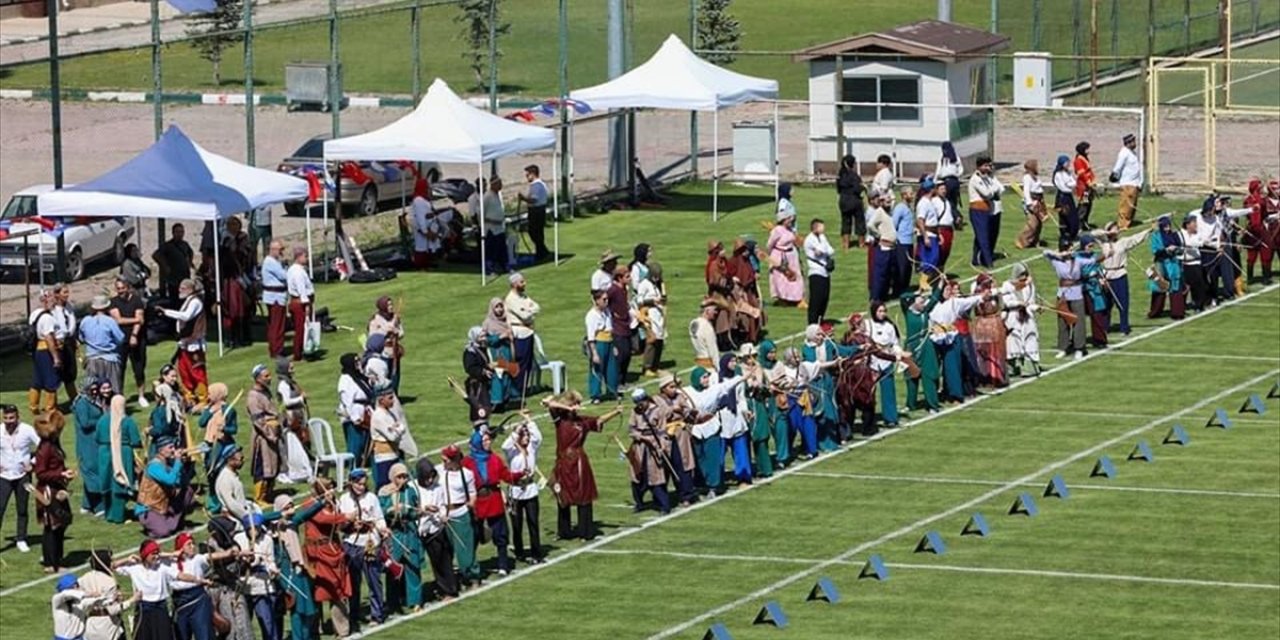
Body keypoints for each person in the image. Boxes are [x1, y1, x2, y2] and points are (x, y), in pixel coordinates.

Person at [543, 392, 617, 540]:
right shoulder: (559, 418)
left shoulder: (582, 421)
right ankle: (564, 532)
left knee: (583, 497)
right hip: (563, 461)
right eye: (574, 404)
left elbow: (599, 420)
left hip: (578, 462)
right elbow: (549, 402)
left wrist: (616, 411)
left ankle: (586, 532)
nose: (577, 407)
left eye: (577, 404)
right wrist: (567, 407)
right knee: (562, 496)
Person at [114, 540, 208, 640]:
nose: (157, 556)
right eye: (153, 554)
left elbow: (181, 576)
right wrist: (126, 559)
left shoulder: (162, 567)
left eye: (157, 553)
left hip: (160, 609)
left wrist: (199, 580)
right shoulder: (134, 568)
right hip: (143, 609)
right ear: (145, 555)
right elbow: (111, 565)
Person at [463, 429, 523, 577]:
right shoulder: (467, 462)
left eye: (489, 440)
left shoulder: (494, 459)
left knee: (500, 535)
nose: (488, 442)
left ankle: (503, 565)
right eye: (485, 441)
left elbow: (506, 475)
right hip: (477, 502)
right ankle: (470, 566)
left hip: (494, 500)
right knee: (474, 536)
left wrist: (520, 474)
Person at [302, 477, 354, 637]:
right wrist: (345, 516)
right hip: (316, 554)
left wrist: (349, 522)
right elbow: (322, 518)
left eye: (332, 487)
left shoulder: (332, 504)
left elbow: (337, 524)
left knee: (337, 591)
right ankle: (315, 629)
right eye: (328, 487)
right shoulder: (309, 505)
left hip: (333, 549)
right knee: (317, 591)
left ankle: (342, 629)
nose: (331, 490)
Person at [338, 468, 388, 631]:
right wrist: (351, 524)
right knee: (353, 582)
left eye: (363, 484)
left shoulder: (372, 498)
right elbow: (340, 524)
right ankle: (354, 615)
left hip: (370, 543)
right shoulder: (343, 499)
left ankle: (377, 614)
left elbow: (379, 517)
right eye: (358, 484)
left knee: (373, 580)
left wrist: (383, 529)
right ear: (351, 483)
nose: (361, 487)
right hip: (351, 543)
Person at [929, 276, 993, 402]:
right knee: (933, 368)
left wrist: (983, 296)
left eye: (949, 289)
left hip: (951, 338)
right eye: (945, 290)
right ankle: (935, 394)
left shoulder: (955, 302)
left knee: (952, 366)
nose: (949, 292)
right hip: (934, 339)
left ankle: (955, 394)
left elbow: (972, 300)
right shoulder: (931, 304)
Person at [378, 462, 423, 614]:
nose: (403, 479)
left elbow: (415, 510)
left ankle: (415, 600)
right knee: (393, 568)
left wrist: (420, 512)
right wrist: (390, 509)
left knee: (412, 566)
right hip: (394, 533)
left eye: (404, 476)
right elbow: (379, 512)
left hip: (409, 531)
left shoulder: (410, 491)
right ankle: (393, 602)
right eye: (399, 477)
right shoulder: (384, 492)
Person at [414, 457, 458, 602]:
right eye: (427, 478)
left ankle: (448, 589)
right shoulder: (413, 488)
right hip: (418, 530)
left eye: (432, 477)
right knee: (414, 564)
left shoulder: (438, 488)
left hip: (435, 529)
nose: (430, 481)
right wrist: (423, 510)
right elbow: (410, 508)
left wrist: (443, 515)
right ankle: (413, 596)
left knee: (442, 561)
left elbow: (443, 505)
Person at [501, 417, 544, 564]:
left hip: (530, 490)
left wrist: (528, 421)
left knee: (533, 523)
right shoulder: (512, 451)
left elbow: (538, 437)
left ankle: (536, 553)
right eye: (523, 436)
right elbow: (505, 446)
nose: (526, 438)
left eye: (527, 436)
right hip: (516, 491)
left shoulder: (532, 448)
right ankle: (519, 551)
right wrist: (517, 431)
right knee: (517, 525)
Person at [1044, 238, 1096, 360]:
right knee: (1062, 322)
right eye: (1068, 249)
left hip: (1077, 293)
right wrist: (1059, 254)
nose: (1071, 251)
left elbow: (1092, 260)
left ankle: (1079, 348)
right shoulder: (1056, 261)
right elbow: (1045, 253)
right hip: (1063, 294)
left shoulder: (1078, 260)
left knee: (1078, 321)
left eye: (1072, 249)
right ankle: (1063, 347)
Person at [1098, 222, 1151, 335]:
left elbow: (1136, 239)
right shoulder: (1103, 242)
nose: (1116, 231)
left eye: (1117, 229)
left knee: (1123, 303)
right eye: (1114, 229)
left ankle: (1124, 327)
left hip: (1120, 275)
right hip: (1107, 276)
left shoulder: (1123, 242)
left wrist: (1149, 230)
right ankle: (1104, 327)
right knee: (1106, 304)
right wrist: (1107, 232)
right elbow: (1093, 234)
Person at [438, 445, 480, 586]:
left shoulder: (466, 474)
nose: (443, 463)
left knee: (465, 547)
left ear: (454, 460)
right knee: (447, 549)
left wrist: (471, 502)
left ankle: (472, 574)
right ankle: (453, 577)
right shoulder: (439, 471)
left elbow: (472, 492)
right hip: (444, 514)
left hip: (460, 513)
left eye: (445, 460)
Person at [161, 279, 208, 406]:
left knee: (197, 372)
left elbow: (186, 316)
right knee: (184, 371)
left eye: (183, 288)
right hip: (185, 342)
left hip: (194, 343)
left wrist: (166, 312)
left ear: (191, 289)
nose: (179, 290)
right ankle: (190, 398)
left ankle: (203, 399)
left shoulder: (196, 302)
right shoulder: (188, 301)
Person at [94, 395, 140, 524]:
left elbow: (97, 437)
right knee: (120, 482)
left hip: (104, 453)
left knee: (106, 482)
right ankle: (119, 516)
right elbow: (135, 440)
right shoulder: (127, 421)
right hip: (123, 452)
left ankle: (109, 514)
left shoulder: (103, 420)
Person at [627, 388, 673, 514]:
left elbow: (662, 431)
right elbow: (631, 429)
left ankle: (664, 505)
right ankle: (639, 503)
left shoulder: (658, 411)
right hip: (639, 447)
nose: (639, 405)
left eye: (641, 402)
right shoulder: (635, 412)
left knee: (656, 477)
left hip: (654, 447)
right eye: (637, 403)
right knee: (637, 476)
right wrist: (640, 436)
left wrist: (662, 444)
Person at [135, 436, 192, 538]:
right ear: (161, 450)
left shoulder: (167, 463)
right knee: (163, 532)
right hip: (150, 509)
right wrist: (177, 462)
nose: (173, 450)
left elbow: (180, 482)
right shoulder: (154, 466)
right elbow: (170, 480)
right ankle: (161, 524)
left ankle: (171, 522)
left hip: (163, 504)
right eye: (170, 447)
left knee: (187, 491)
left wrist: (182, 465)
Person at [1, 404, 39, 554]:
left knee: (22, 508)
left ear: (18, 417)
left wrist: (33, 464)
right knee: (0, 508)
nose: (9, 421)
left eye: (12, 418)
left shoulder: (27, 430)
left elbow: (43, 446)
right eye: (6, 418)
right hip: (3, 476)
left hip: (23, 476)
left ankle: (21, 538)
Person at [901, 287, 942, 414]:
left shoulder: (925, 312)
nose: (923, 304)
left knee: (928, 375)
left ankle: (932, 405)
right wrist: (915, 293)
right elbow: (902, 297)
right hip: (911, 347)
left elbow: (934, 299)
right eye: (920, 302)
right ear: (913, 303)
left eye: (923, 302)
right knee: (911, 376)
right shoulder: (908, 312)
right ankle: (910, 404)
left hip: (926, 345)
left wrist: (939, 286)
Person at [246, 364, 282, 505]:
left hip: (273, 433)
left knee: (274, 465)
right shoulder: (253, 397)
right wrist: (270, 435)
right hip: (263, 437)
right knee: (262, 466)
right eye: (265, 376)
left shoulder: (266, 392)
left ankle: (269, 493)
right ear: (257, 379)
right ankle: (259, 497)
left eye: (269, 375)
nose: (269, 378)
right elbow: (258, 421)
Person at [109, 277, 149, 407]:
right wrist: (136, 320)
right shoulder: (113, 302)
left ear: (128, 287)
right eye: (118, 289)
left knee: (139, 368)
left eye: (122, 288)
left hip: (137, 338)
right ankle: (119, 396)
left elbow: (141, 319)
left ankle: (141, 395)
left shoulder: (137, 300)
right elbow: (118, 320)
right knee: (120, 369)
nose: (120, 291)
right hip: (120, 340)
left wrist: (134, 334)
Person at [864, 302, 904, 427]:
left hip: (886, 362)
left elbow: (894, 343)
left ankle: (891, 418)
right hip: (872, 363)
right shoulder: (868, 324)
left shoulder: (889, 326)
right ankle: (868, 420)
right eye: (879, 311)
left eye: (884, 311)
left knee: (888, 391)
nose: (882, 314)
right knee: (868, 393)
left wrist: (898, 354)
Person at [72, 380, 107, 516]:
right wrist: (103, 419)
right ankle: (98, 506)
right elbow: (85, 423)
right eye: (91, 389)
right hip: (86, 444)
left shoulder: (93, 401)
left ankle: (86, 505)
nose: (95, 391)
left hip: (95, 442)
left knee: (94, 472)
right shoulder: (82, 403)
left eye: (96, 388)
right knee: (93, 474)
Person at [1000, 263, 1041, 378]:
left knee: (1030, 339)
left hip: (1027, 317)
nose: (1024, 277)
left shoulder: (1029, 286)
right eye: (1022, 275)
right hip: (1013, 317)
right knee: (1013, 342)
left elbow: (1031, 302)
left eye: (1025, 274)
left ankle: (1029, 368)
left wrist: (1036, 308)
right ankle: (1011, 367)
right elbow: (1007, 301)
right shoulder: (1007, 285)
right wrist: (1019, 303)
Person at [79, 296, 126, 396]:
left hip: (92, 359)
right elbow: (120, 338)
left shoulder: (85, 321)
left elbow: (81, 338)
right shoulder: (110, 321)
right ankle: (114, 409)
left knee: (93, 389)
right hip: (109, 358)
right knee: (113, 388)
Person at [504, 272, 541, 396]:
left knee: (528, 363)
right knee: (519, 363)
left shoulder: (523, 297)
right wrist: (529, 310)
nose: (524, 284)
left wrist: (529, 309)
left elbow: (537, 307)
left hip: (528, 332)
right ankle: (517, 390)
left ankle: (523, 388)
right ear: (514, 284)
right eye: (521, 282)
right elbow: (524, 315)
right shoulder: (511, 299)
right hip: (519, 333)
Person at [969, 273, 1008, 388]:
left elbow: (1001, 305)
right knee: (983, 352)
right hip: (982, 324)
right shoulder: (977, 295)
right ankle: (984, 378)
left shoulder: (994, 293)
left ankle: (997, 377)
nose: (990, 285)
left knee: (996, 352)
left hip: (994, 324)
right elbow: (979, 303)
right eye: (988, 283)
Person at [28, 291, 63, 417]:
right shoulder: (47, 318)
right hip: (46, 350)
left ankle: (33, 406)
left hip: (37, 350)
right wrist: (55, 358)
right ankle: (50, 409)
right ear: (46, 300)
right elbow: (49, 338)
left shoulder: (34, 314)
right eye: (53, 299)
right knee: (51, 380)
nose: (55, 301)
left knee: (37, 379)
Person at [482, 298, 519, 409]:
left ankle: (508, 398)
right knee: (499, 375)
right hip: (496, 353)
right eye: (496, 307)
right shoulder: (488, 323)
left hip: (507, 351)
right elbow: (486, 340)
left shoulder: (506, 321)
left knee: (509, 374)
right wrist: (500, 337)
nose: (499, 310)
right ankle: (496, 401)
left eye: (501, 307)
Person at [1148, 214, 1187, 320]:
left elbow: (1181, 249)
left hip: (1173, 264)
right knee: (1160, 286)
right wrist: (1166, 250)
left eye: (1168, 226)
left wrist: (1176, 249)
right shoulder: (1156, 236)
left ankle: (1177, 312)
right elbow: (1155, 250)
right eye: (1165, 226)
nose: (1167, 228)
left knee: (1175, 287)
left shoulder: (1174, 235)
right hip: (1161, 263)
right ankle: (1155, 311)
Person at [968, 156, 1004, 268]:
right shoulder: (976, 178)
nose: (988, 168)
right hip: (977, 209)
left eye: (989, 165)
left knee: (982, 235)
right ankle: (988, 261)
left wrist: (993, 189)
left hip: (986, 209)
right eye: (985, 166)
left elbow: (1001, 189)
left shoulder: (988, 177)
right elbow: (987, 193)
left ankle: (976, 258)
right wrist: (994, 191)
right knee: (983, 236)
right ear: (979, 166)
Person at [338, 353, 374, 467]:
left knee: (365, 441)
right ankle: (353, 468)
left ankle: (364, 462)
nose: (359, 363)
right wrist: (354, 417)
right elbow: (347, 400)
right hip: (354, 414)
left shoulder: (359, 376)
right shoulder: (345, 380)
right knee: (355, 445)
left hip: (365, 410)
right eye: (356, 361)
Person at [766, 204, 805, 306]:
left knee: (796, 276)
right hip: (779, 255)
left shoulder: (791, 230)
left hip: (791, 255)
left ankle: (798, 298)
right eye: (789, 219)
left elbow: (796, 240)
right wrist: (772, 257)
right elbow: (769, 245)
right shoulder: (777, 230)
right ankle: (783, 298)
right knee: (781, 279)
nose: (791, 221)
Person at [369, 387, 407, 488]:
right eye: (390, 398)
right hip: (384, 457)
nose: (393, 400)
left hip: (394, 454)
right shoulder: (378, 416)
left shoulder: (389, 413)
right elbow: (392, 436)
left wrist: (397, 428)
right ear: (381, 400)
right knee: (385, 486)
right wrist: (399, 429)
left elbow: (399, 427)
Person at [635, 261, 668, 378]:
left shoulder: (658, 284)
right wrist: (652, 301)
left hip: (659, 315)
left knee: (660, 341)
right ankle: (647, 367)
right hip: (649, 314)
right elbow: (638, 301)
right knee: (651, 341)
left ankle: (655, 365)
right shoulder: (644, 284)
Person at [51, 574, 109, 640]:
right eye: (76, 586)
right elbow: (66, 594)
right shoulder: (57, 600)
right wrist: (88, 594)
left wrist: (111, 598)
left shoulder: (80, 602)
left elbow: (98, 601)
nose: (79, 588)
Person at [198, 383, 238, 474]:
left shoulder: (228, 410)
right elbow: (201, 423)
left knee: (216, 467)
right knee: (208, 466)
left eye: (210, 393)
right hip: (208, 442)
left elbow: (234, 429)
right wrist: (210, 411)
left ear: (218, 394)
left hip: (221, 442)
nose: (208, 396)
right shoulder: (208, 408)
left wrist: (224, 428)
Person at [584, 291, 617, 403]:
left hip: (609, 341)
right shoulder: (591, 315)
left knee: (611, 368)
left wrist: (614, 346)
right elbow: (591, 337)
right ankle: (595, 395)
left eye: (607, 299)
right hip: (599, 342)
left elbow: (610, 329)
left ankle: (611, 391)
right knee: (597, 369)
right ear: (597, 301)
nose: (606, 301)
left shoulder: (607, 312)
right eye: (604, 299)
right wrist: (594, 353)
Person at [606, 267, 636, 386]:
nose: (630, 279)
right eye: (627, 276)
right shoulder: (613, 290)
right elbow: (603, 301)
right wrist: (612, 314)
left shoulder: (624, 289)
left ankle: (623, 380)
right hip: (617, 327)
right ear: (619, 278)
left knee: (628, 354)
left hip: (626, 325)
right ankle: (616, 382)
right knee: (621, 355)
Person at [260, 240, 289, 359]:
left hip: (276, 296)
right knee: (277, 325)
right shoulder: (270, 262)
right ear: (273, 250)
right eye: (280, 250)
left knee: (276, 324)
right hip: (275, 297)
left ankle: (276, 348)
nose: (282, 252)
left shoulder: (274, 262)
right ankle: (277, 350)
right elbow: (284, 276)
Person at [867, 192, 897, 303]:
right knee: (880, 273)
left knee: (889, 273)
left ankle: (883, 295)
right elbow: (870, 225)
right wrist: (878, 235)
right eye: (886, 201)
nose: (888, 203)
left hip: (892, 247)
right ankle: (875, 297)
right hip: (883, 246)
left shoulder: (889, 212)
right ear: (881, 202)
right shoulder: (879, 212)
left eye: (889, 201)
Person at [804, 218, 836, 324]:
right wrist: (822, 249)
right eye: (821, 226)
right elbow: (820, 251)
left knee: (824, 298)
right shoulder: (809, 239)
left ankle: (820, 319)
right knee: (816, 299)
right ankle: (812, 322)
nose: (824, 228)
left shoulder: (822, 237)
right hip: (816, 271)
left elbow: (830, 250)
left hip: (825, 271)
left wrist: (822, 250)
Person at [478, 176, 512, 274]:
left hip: (500, 227)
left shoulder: (499, 195)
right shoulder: (487, 196)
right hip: (491, 228)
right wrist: (491, 221)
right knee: (491, 250)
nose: (501, 185)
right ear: (493, 184)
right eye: (499, 183)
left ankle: (505, 266)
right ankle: (489, 268)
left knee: (502, 248)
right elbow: (481, 213)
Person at [517, 164, 551, 260]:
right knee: (537, 232)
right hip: (539, 210)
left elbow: (534, 200)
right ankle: (542, 252)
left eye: (528, 175)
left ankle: (542, 252)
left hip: (536, 211)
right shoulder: (540, 184)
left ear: (533, 174)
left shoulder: (536, 185)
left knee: (534, 232)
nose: (526, 177)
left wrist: (523, 198)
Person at [286, 247, 315, 361]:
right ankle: (298, 353)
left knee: (301, 328)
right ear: (299, 257)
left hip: (295, 302)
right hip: (300, 303)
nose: (307, 259)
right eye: (305, 256)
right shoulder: (297, 272)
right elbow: (301, 289)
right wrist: (306, 304)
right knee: (301, 329)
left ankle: (304, 349)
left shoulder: (292, 269)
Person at [156, 223, 195, 305]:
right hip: (173, 278)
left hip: (184, 276)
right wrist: (165, 266)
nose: (180, 234)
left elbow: (190, 253)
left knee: (185, 299)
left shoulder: (185, 244)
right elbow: (156, 255)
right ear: (173, 233)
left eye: (181, 232)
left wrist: (190, 262)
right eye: (177, 232)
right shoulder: (168, 245)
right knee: (174, 300)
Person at [1110, 133, 1143, 230]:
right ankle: (1122, 224)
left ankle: (1128, 222)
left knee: (1132, 206)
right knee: (1126, 205)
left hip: (1134, 183)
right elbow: (1118, 166)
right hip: (1127, 183)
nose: (1134, 143)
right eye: (1132, 141)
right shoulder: (1124, 153)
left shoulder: (1132, 153)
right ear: (1128, 143)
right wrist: (1114, 175)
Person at [891, 184, 917, 297]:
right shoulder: (900, 208)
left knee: (908, 267)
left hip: (910, 241)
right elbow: (893, 224)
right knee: (901, 268)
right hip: (902, 242)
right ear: (904, 195)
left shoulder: (909, 208)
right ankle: (898, 291)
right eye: (911, 193)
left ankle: (905, 289)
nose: (913, 195)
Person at [1017, 159, 1047, 250]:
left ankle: (1035, 241)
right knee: (1032, 223)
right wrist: (1030, 203)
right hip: (1032, 201)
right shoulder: (1027, 177)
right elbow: (1026, 191)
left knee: (1039, 223)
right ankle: (1022, 241)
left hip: (1039, 200)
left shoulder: (1035, 177)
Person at [836, 155, 866, 250]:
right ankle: (861, 243)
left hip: (844, 200)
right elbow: (858, 189)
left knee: (845, 221)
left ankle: (846, 244)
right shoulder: (854, 175)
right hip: (855, 200)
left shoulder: (840, 175)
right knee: (859, 222)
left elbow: (838, 189)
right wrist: (863, 187)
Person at [410, 178, 439, 269]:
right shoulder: (418, 200)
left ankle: (427, 264)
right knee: (421, 246)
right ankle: (420, 265)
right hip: (421, 228)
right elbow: (420, 217)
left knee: (427, 246)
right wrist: (425, 231)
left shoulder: (424, 199)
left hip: (428, 226)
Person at [1053, 154, 1080, 244]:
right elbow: (1063, 187)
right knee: (1066, 216)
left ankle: (1073, 233)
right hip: (1063, 198)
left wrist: (1070, 185)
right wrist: (1070, 185)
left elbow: (1073, 183)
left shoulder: (1068, 173)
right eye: (1066, 162)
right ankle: (1066, 234)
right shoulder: (1058, 174)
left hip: (1069, 197)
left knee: (1074, 216)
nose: (1068, 164)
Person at [689, 298, 721, 370]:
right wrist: (718, 368)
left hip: (699, 361)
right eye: (714, 310)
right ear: (707, 311)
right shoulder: (707, 327)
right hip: (708, 364)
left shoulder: (693, 323)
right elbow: (713, 350)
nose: (716, 312)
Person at [1073, 141, 1096, 231]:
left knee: (1088, 205)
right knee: (1083, 206)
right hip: (1083, 186)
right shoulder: (1079, 160)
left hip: (1088, 185)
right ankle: (1078, 225)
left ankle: (1085, 222)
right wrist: (1088, 182)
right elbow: (1082, 174)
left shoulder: (1084, 158)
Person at [935, 141, 963, 215]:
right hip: (955, 181)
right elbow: (961, 169)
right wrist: (957, 175)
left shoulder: (942, 157)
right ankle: (956, 216)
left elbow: (938, 171)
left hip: (946, 181)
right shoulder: (956, 156)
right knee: (954, 200)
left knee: (946, 200)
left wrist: (935, 180)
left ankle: (953, 216)